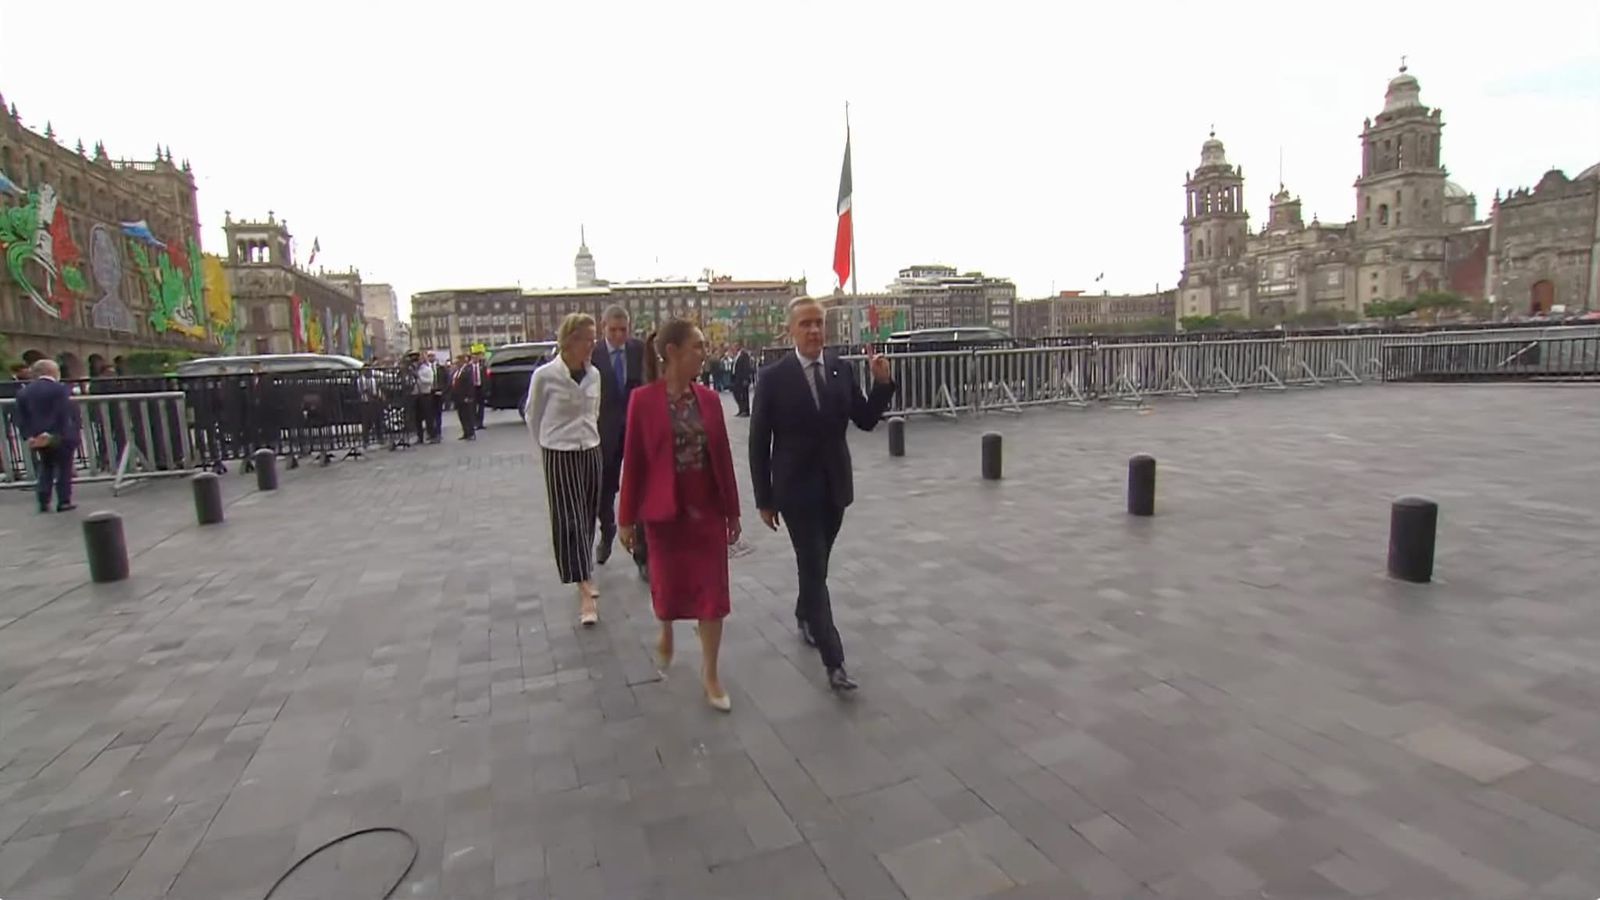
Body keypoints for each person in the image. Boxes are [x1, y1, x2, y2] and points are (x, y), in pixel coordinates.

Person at [749, 297, 895, 692]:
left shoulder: (839, 369)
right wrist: (764, 498)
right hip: (795, 491)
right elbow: (758, 441)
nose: (814, 331)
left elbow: (865, 421)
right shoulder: (773, 378)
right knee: (814, 568)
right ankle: (834, 660)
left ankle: (804, 612)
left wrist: (882, 384)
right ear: (791, 331)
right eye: (806, 324)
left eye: (819, 323)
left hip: (834, 488)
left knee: (818, 564)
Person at [617, 319, 741, 711]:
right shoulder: (643, 401)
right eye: (697, 347)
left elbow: (722, 458)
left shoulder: (708, 399)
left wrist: (733, 512)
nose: (704, 353)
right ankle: (666, 628)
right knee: (668, 590)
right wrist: (625, 518)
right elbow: (633, 462)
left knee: (713, 597)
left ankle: (710, 673)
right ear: (672, 352)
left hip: (705, 510)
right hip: (664, 514)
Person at [525, 313, 605, 625]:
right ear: (571, 341)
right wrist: (544, 446)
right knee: (567, 519)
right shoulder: (545, 376)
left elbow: (594, 411)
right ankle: (584, 589)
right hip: (560, 452)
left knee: (587, 516)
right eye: (588, 338)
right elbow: (533, 414)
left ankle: (584, 571)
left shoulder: (594, 374)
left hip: (590, 449)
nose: (593, 344)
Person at [590, 305, 648, 576]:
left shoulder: (640, 350)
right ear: (603, 328)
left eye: (623, 330)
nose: (618, 335)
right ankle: (608, 530)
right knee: (605, 490)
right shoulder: (593, 355)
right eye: (612, 330)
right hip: (605, 434)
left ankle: (642, 552)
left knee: (641, 489)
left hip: (638, 431)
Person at [13, 359, 81, 513]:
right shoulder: (60, 389)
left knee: (46, 466)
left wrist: (29, 435)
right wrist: (54, 433)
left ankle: (43, 501)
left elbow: (21, 417)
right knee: (64, 467)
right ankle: (64, 501)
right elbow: (62, 414)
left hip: (37, 437)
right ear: (52, 371)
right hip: (59, 435)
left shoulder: (24, 391)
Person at [450, 354, 480, 440]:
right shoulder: (457, 371)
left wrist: (469, 396)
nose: (457, 363)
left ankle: (471, 433)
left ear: (463, 361)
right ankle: (466, 432)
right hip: (458, 397)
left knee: (468, 415)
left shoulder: (467, 370)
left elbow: (470, 385)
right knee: (462, 416)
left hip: (465, 396)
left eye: (458, 361)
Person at [731, 343, 755, 417]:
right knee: (737, 393)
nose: (733, 348)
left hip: (742, 378)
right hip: (736, 378)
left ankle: (745, 410)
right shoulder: (736, 356)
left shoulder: (744, 355)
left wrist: (745, 378)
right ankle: (741, 409)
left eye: (734, 347)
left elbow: (746, 367)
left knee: (744, 395)